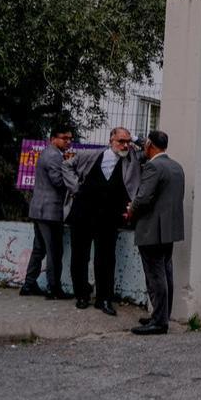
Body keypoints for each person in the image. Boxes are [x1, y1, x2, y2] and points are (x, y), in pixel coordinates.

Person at [64, 128, 142, 316]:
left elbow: (150, 147)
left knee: (106, 258)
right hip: (83, 213)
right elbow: (66, 166)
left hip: (110, 216)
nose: (124, 145)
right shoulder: (89, 155)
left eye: (127, 142)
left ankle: (104, 299)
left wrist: (136, 138)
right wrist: (76, 188)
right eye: (121, 141)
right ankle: (82, 295)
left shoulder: (132, 159)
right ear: (111, 140)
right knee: (80, 255)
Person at [126, 130, 184, 336]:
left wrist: (131, 210)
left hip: (152, 228)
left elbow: (143, 198)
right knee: (166, 272)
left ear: (149, 144)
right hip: (169, 228)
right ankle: (162, 315)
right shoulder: (176, 167)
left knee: (155, 275)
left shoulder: (153, 166)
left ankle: (159, 322)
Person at [23, 124, 74, 300]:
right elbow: (59, 182)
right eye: (64, 138)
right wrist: (72, 172)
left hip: (39, 210)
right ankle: (54, 289)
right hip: (50, 211)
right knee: (54, 251)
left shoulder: (48, 153)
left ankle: (29, 284)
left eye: (70, 138)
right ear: (53, 138)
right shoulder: (54, 156)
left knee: (39, 249)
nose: (68, 141)